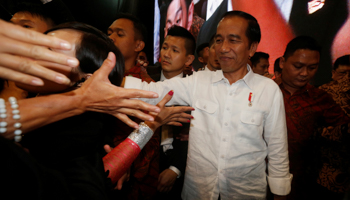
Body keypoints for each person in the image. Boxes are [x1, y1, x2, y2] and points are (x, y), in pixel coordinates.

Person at [124, 11, 291, 200]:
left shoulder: (268, 90)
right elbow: (153, 92)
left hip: (245, 193)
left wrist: (280, 194)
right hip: (197, 192)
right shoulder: (198, 81)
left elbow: (278, 151)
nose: (223, 48)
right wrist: (108, 85)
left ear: (252, 48)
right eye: (219, 40)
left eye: (233, 40)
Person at [278, 36, 350, 200]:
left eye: (312, 67)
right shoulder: (264, 90)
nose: (304, 73)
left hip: (298, 181)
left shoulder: (320, 98)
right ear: (282, 63)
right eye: (298, 66)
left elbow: (344, 126)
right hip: (253, 176)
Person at [146, 25, 195, 200]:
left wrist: (176, 169)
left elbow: (193, 138)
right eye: (165, 47)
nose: (166, 54)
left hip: (178, 169)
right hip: (143, 163)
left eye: (174, 50)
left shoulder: (195, 90)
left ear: (189, 59)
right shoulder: (145, 78)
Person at [107, 13, 153, 83]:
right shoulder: (95, 72)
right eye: (109, 33)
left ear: (138, 46)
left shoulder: (145, 84)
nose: (110, 38)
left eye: (120, 34)